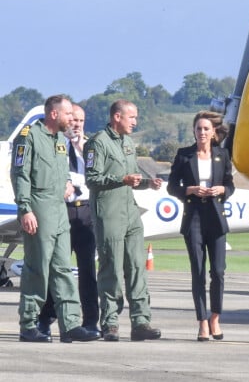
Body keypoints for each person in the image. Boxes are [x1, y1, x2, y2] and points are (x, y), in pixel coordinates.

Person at [10, 95, 100, 343]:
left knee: (63, 269)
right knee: (37, 267)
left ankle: (70, 323)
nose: (72, 118)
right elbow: (20, 175)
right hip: (39, 207)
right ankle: (29, 324)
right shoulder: (28, 137)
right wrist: (25, 209)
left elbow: (62, 172)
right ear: (53, 114)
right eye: (68, 114)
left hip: (60, 210)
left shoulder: (61, 139)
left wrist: (68, 183)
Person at [84, 99, 163, 342]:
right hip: (108, 213)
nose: (135, 122)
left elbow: (133, 178)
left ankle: (141, 321)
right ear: (117, 117)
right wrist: (121, 179)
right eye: (131, 117)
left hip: (130, 212)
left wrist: (149, 183)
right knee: (111, 269)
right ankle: (110, 323)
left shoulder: (128, 143)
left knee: (137, 267)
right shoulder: (97, 143)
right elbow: (92, 178)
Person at [167, 110, 235, 341]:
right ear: (194, 131)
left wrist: (222, 190)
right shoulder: (184, 155)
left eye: (206, 129)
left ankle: (215, 317)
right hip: (194, 216)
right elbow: (171, 186)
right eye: (198, 129)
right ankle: (202, 322)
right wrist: (190, 190)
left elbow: (229, 184)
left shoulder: (222, 154)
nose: (202, 132)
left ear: (213, 132)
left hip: (216, 216)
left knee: (218, 271)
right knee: (198, 272)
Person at [37, 104, 100, 336]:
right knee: (58, 269)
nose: (77, 124)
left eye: (81, 121)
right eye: (73, 119)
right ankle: (46, 318)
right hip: (61, 211)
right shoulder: (55, 144)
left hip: (84, 212)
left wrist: (82, 148)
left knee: (87, 271)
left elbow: (97, 173)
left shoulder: (91, 147)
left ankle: (91, 320)